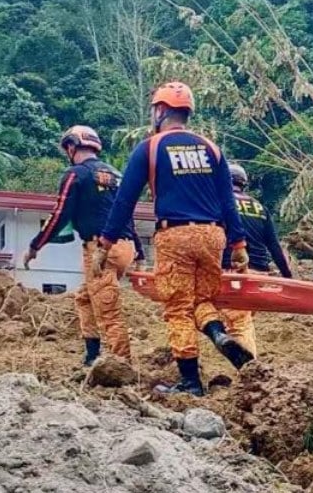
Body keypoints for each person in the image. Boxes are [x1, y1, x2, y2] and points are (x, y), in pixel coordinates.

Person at [100, 81, 250, 396]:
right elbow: (228, 202)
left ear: (160, 110)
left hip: (175, 235)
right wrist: (239, 246)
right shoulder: (212, 149)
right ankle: (218, 333)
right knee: (202, 299)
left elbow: (124, 200)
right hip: (213, 235)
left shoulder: (151, 148)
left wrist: (107, 241)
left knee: (178, 307)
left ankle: (191, 383)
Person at [23, 125, 142, 366]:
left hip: (101, 250)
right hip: (125, 247)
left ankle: (122, 365)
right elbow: (126, 213)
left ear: (71, 147)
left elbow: (60, 213)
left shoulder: (76, 174)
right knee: (85, 298)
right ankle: (92, 354)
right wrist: (138, 248)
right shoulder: (116, 175)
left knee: (108, 309)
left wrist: (36, 245)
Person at [220, 161, 293, 356]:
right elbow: (275, 247)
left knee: (238, 324)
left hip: (234, 272)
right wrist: (288, 277)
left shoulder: (219, 204)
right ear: (244, 184)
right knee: (240, 319)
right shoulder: (260, 208)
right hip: (259, 275)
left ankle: (250, 371)